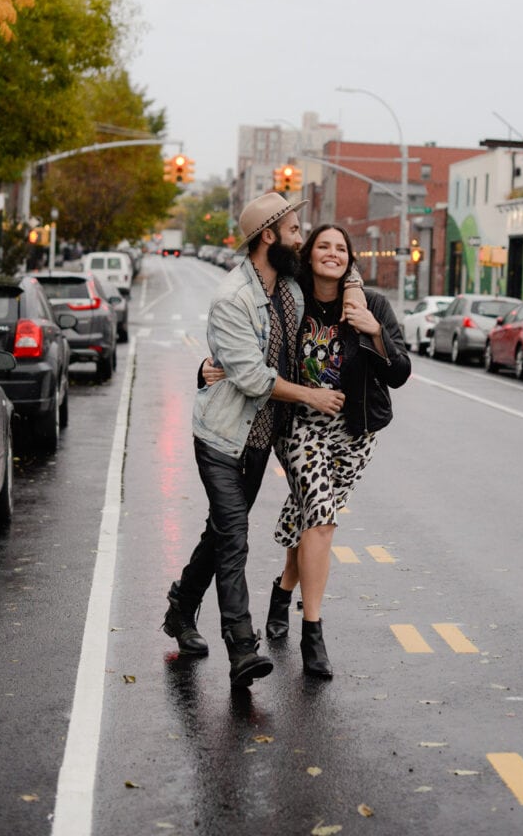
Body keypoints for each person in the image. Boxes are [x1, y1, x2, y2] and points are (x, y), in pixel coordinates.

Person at [204, 224, 411, 679]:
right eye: (323, 246)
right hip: (298, 425)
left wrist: (375, 332)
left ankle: (282, 591)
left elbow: (399, 373)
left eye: (341, 248)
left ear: (349, 258)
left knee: (308, 520)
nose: (332, 254)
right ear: (310, 255)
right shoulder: (291, 298)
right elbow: (249, 340)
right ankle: (312, 634)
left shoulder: (371, 305)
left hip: (354, 433)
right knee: (321, 517)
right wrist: (208, 367)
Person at [162, 192, 350, 689]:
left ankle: (180, 607)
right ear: (268, 235)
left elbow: (333, 278)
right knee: (234, 540)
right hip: (222, 439)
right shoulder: (233, 298)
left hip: (259, 440)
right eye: (292, 229)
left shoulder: (288, 285)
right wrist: (311, 395)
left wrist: (360, 300)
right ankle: (242, 648)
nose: (300, 235)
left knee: (221, 531)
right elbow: (254, 378)